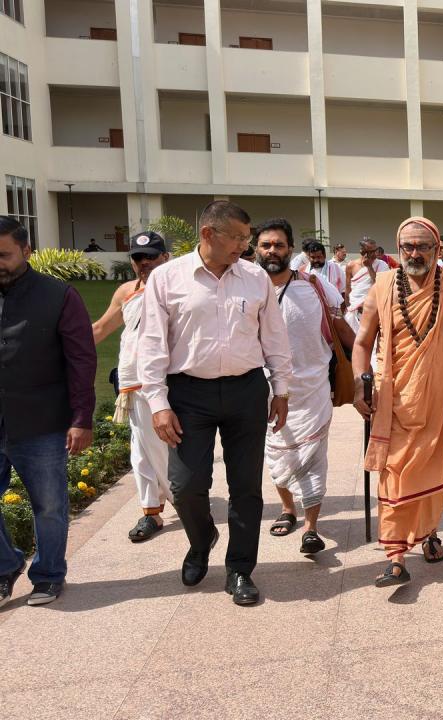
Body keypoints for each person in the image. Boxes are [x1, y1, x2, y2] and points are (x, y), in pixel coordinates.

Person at [137, 200, 293, 607]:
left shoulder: (255, 278)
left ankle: (240, 569)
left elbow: (274, 337)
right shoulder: (167, 278)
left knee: (246, 486)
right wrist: (158, 402)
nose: (245, 245)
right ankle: (202, 538)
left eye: (247, 237)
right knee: (186, 486)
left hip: (246, 391)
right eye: (238, 237)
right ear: (208, 234)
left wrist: (281, 389)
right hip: (188, 395)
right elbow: (151, 343)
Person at [353, 217, 443, 587]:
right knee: (394, 474)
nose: (415, 253)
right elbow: (362, 342)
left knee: (434, 471)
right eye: (408, 247)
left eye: (423, 247)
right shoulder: (384, 286)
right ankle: (396, 557)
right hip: (394, 401)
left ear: (436, 250)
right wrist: (358, 383)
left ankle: (429, 535)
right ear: (398, 249)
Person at [0, 216, 96, 606]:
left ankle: (49, 575)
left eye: (4, 255)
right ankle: (6, 566)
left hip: (40, 422)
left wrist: (81, 418)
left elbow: (82, 361)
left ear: (26, 251)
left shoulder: (59, 296)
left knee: (50, 505)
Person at [255, 219, 353, 556]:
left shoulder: (314, 285)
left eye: (278, 245)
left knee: (313, 457)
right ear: (256, 249)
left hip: (312, 388)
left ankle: (311, 527)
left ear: (290, 249)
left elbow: (341, 328)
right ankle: (287, 509)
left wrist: (365, 366)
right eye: (266, 245)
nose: (272, 251)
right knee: (276, 455)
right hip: (264, 390)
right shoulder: (247, 286)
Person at [90, 230, 173, 543]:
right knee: (141, 449)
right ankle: (151, 511)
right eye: (138, 257)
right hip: (132, 381)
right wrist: (58, 351)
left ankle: (185, 501)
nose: (144, 262)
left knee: (163, 448)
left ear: (165, 257)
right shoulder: (127, 291)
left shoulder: (178, 288)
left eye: (151, 256)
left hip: (169, 380)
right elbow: (101, 328)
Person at [345, 239, 389, 333]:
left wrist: (369, 267)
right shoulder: (351, 266)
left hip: (374, 310)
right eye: (371, 251)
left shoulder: (382, 265)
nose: (374, 254)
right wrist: (348, 308)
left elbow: (382, 286)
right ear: (362, 251)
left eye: (375, 250)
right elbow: (348, 290)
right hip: (354, 310)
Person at [298, 240, 348, 307]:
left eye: (319, 257)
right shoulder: (303, 270)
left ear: (324, 256)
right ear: (309, 257)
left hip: (332, 308)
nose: (316, 260)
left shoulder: (335, 268)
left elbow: (344, 289)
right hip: (310, 308)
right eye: (313, 257)